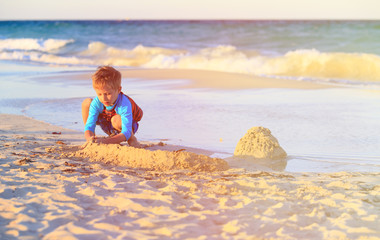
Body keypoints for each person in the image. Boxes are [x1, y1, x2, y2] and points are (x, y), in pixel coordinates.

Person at [81, 66, 143, 147]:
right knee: (87, 103)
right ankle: (93, 138)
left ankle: (132, 139)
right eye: (99, 94)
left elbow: (126, 132)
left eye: (108, 94)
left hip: (125, 125)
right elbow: (89, 125)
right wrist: (90, 139)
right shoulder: (97, 102)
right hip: (106, 123)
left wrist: (104, 141)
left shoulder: (124, 103)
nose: (103, 98)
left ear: (119, 90)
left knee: (116, 120)